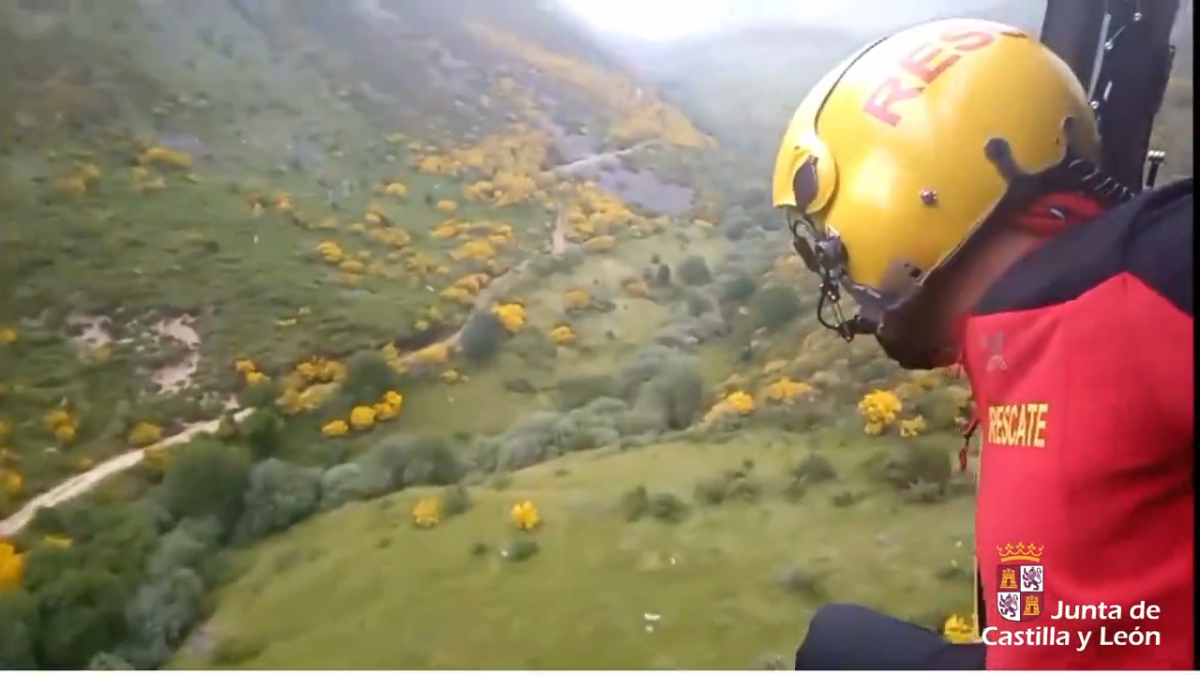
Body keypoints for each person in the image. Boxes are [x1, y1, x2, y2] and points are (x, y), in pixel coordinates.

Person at [770, 16, 1194, 671]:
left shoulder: (1143, 273)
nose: (840, 272)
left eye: (832, 242)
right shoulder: (1014, 335)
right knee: (835, 643)